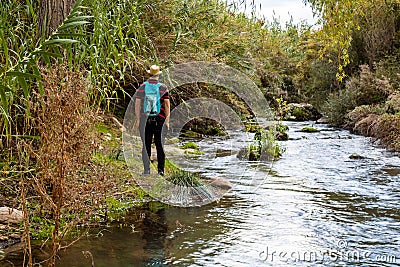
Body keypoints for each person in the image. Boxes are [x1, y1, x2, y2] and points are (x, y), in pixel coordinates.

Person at [135, 65, 170, 176]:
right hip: (160, 119)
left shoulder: (142, 87)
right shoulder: (163, 87)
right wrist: (167, 121)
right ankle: (161, 171)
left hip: (145, 119)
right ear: (158, 75)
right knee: (160, 145)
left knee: (146, 145)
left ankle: (146, 171)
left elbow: (137, 103)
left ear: (149, 74)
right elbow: (167, 105)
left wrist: (138, 119)